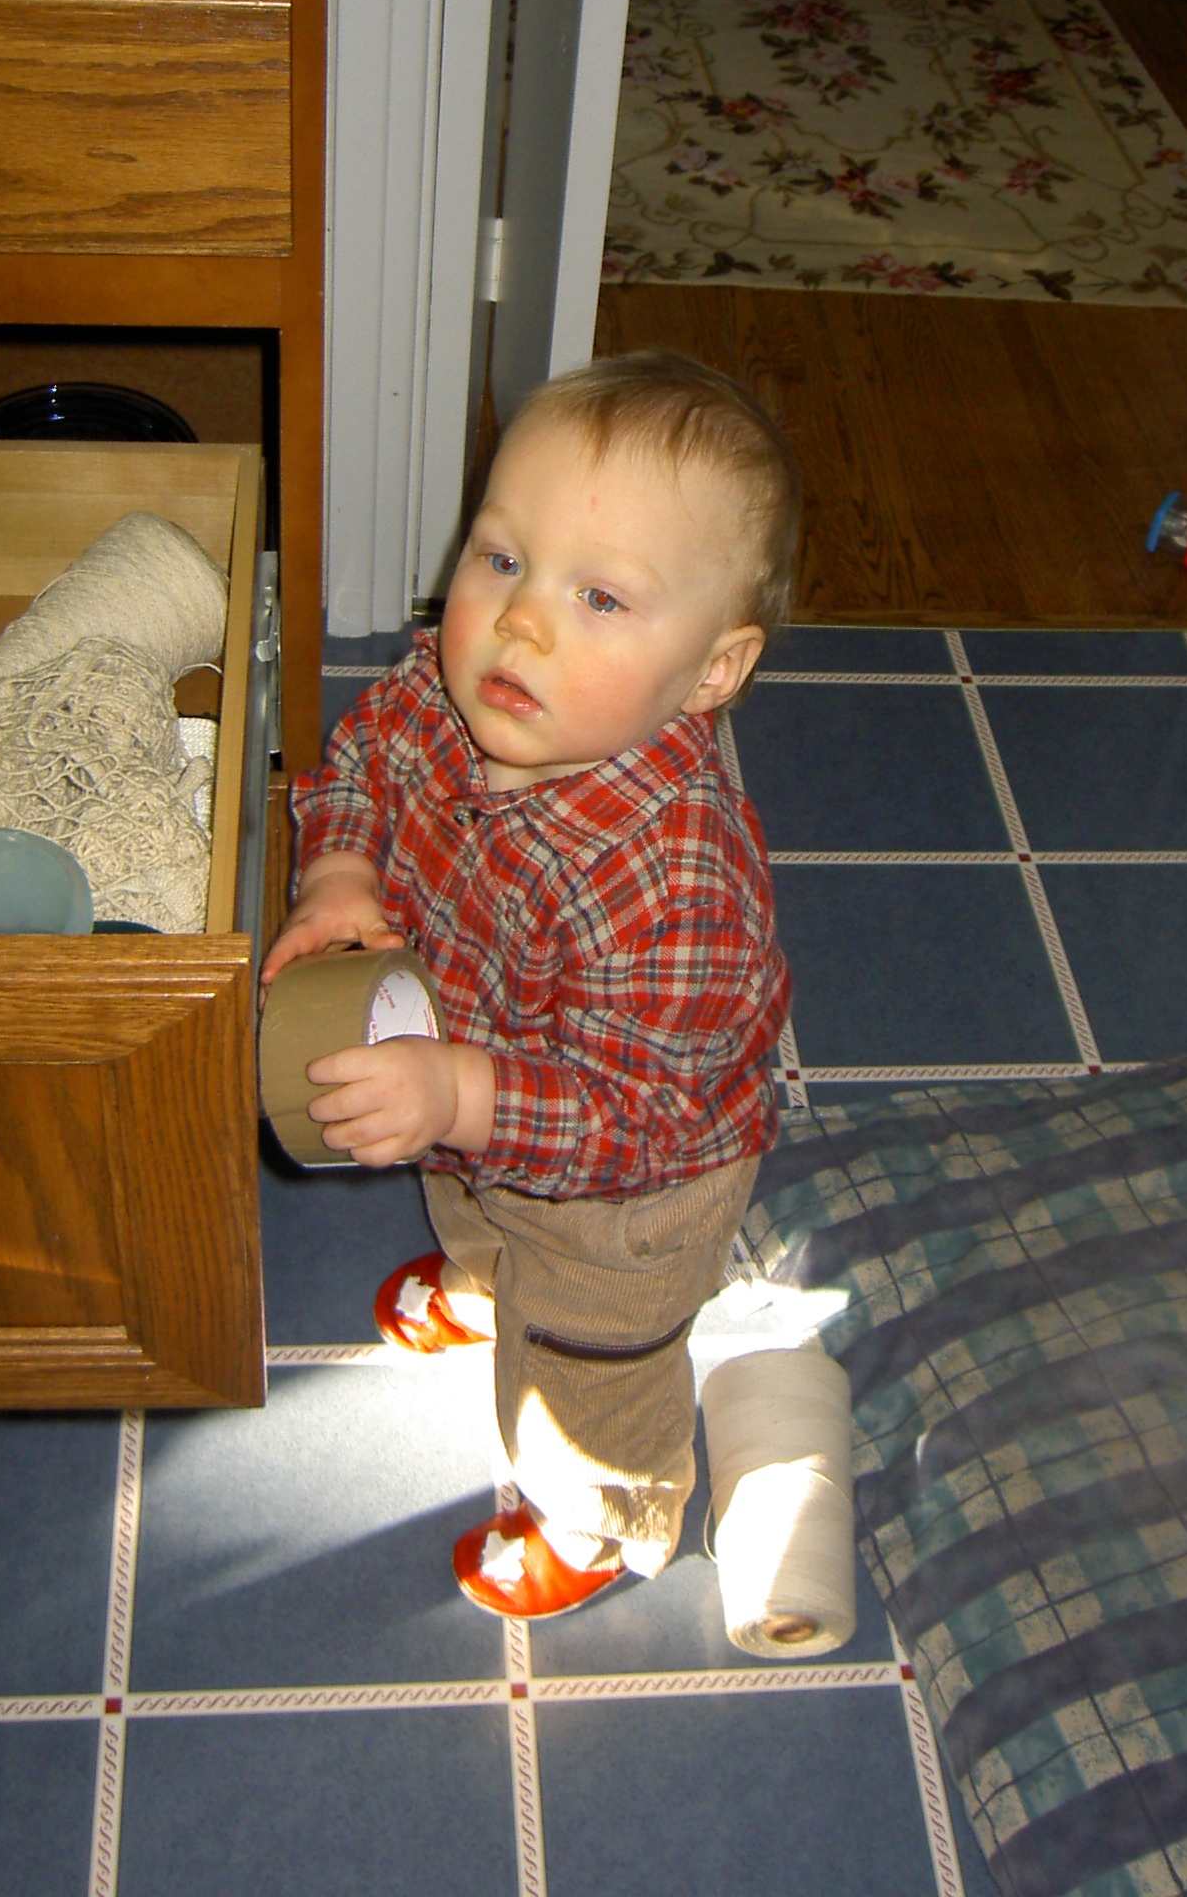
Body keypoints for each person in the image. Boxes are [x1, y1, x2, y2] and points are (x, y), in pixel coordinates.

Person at [260, 349, 798, 1619]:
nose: (523, 621)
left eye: (600, 595)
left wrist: (458, 1092)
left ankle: (602, 1515)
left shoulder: (676, 880)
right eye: (502, 557)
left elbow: (634, 1118)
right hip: (472, 1075)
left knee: (587, 1363)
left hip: (630, 1195)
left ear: (713, 670)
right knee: (466, 1200)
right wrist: (340, 869)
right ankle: (490, 1274)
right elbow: (365, 755)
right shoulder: (452, 697)